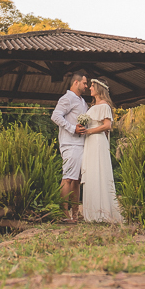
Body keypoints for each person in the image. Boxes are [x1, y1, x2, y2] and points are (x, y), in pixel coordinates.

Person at [81, 78, 123, 224]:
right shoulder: (93, 106)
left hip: (97, 140)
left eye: (92, 86)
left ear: (99, 88)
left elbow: (107, 125)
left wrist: (89, 131)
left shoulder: (104, 106)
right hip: (90, 141)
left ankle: (102, 212)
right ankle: (92, 212)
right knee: (92, 172)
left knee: (98, 171)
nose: (90, 88)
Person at [50, 70, 89, 222]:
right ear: (76, 82)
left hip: (81, 144)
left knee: (76, 180)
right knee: (67, 178)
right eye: (84, 83)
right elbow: (55, 116)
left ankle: (75, 213)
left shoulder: (82, 101)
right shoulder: (67, 98)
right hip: (70, 143)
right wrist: (73, 128)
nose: (86, 86)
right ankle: (63, 213)